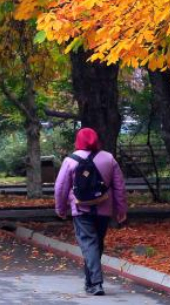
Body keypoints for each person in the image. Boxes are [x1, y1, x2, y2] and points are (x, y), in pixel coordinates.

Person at [54, 127, 128, 297]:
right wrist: (121, 209)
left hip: (80, 209)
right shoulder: (109, 159)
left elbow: (60, 188)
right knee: (96, 244)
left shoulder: (70, 161)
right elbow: (119, 186)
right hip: (104, 209)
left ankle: (95, 283)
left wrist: (61, 208)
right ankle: (91, 282)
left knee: (89, 244)